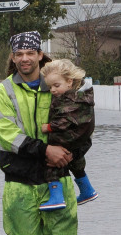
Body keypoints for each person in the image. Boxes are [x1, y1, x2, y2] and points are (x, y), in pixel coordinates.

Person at [0, 31, 77, 235]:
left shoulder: (59, 86)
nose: (24, 58)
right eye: (19, 54)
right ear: (13, 58)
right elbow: (5, 135)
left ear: (40, 54)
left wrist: (72, 151)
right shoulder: (3, 91)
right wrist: (44, 150)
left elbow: (80, 120)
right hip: (20, 181)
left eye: (30, 53)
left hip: (59, 179)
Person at [38, 59, 98, 211]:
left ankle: (56, 197)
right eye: (50, 86)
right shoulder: (82, 95)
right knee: (75, 162)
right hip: (80, 139)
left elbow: (65, 120)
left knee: (51, 162)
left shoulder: (73, 99)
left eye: (56, 86)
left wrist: (48, 127)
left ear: (69, 82)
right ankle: (87, 190)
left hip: (67, 137)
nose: (52, 90)